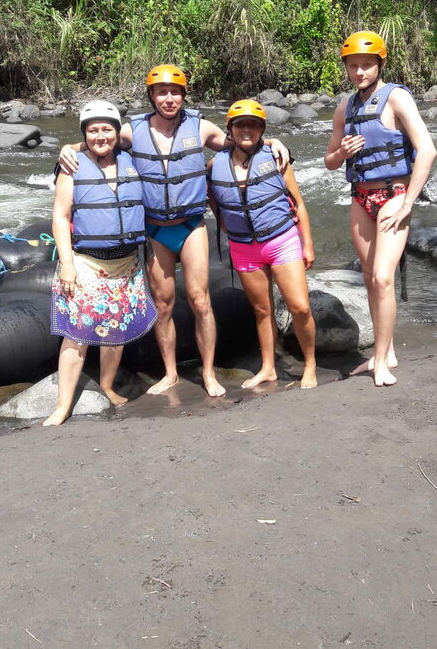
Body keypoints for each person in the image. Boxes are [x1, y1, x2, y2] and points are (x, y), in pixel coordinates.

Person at [57, 65, 289, 399]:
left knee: (200, 300)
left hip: (191, 225)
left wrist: (271, 140)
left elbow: (240, 139)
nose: (169, 98)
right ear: (151, 96)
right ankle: (170, 373)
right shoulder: (132, 131)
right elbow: (99, 140)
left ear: (184, 94)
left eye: (175, 92)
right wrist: (70, 147)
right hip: (155, 230)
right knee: (163, 305)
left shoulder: (200, 126)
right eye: (161, 92)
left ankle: (208, 373)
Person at [324, 31, 437, 387]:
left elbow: (428, 150)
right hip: (361, 198)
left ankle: (382, 358)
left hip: (393, 195)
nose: (359, 72)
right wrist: (342, 153)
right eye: (353, 66)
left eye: (366, 65)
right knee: (371, 278)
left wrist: (407, 202)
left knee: (383, 277)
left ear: (380, 64)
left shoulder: (397, 98)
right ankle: (383, 352)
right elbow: (329, 161)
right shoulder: (345, 107)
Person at [44, 100, 157, 426]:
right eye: (92, 131)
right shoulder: (72, 165)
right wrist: (66, 264)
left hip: (127, 265)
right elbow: (60, 216)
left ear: (117, 132)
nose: (100, 136)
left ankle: (106, 386)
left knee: (116, 330)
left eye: (106, 129)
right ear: (84, 135)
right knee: (76, 334)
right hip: (86, 263)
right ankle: (63, 405)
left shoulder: (132, 159)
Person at [208, 99, 317, 390]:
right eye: (240, 124)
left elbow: (299, 203)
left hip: (281, 240)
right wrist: (234, 237)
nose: (247, 130)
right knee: (262, 311)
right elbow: (217, 208)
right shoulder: (213, 166)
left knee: (300, 307)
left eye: (253, 125)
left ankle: (310, 364)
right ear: (229, 130)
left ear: (261, 130)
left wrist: (307, 245)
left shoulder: (277, 158)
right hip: (244, 247)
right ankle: (268, 368)